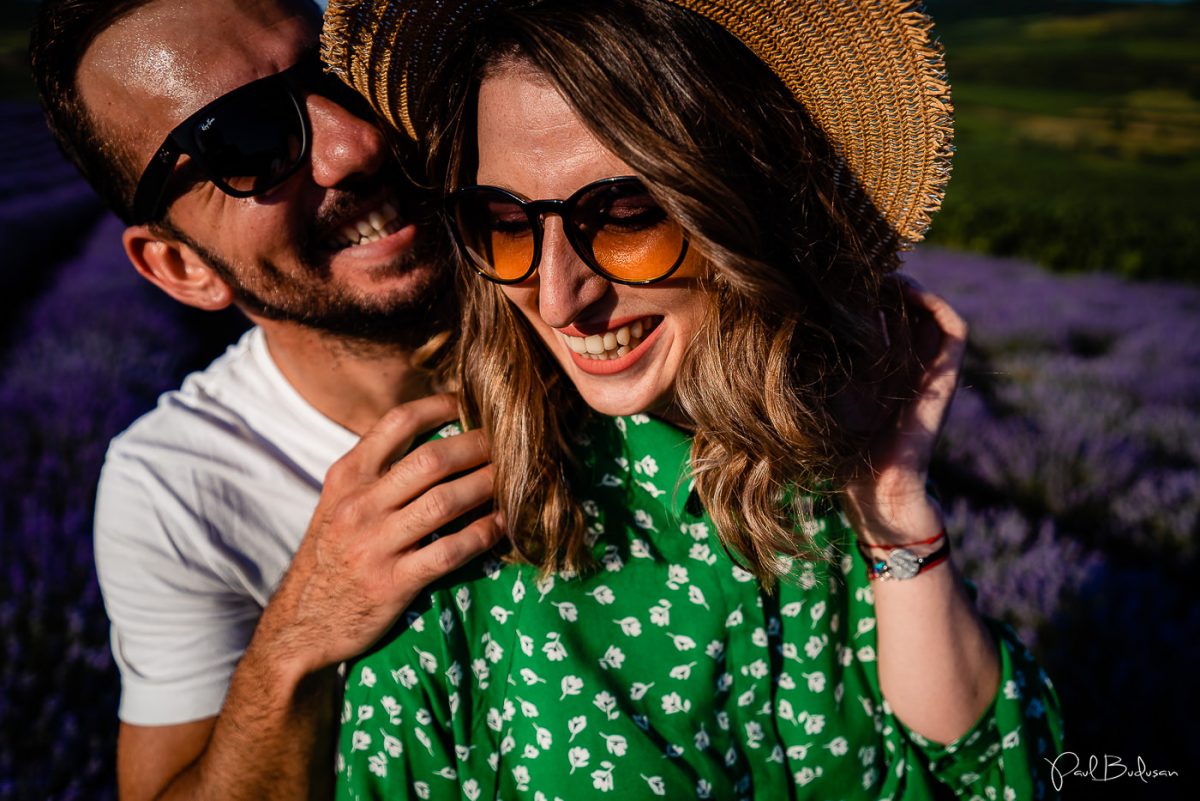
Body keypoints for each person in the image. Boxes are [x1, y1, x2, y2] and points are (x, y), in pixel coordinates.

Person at [322, 0, 1064, 798]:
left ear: (740, 206)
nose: (558, 295)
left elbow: (992, 778)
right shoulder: (450, 528)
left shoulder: (827, 459)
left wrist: (892, 498)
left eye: (627, 216)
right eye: (504, 221)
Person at [28, 0, 503, 798]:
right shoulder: (179, 486)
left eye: (342, 80)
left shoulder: (604, 301)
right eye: (246, 141)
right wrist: (300, 630)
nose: (358, 145)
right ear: (181, 267)